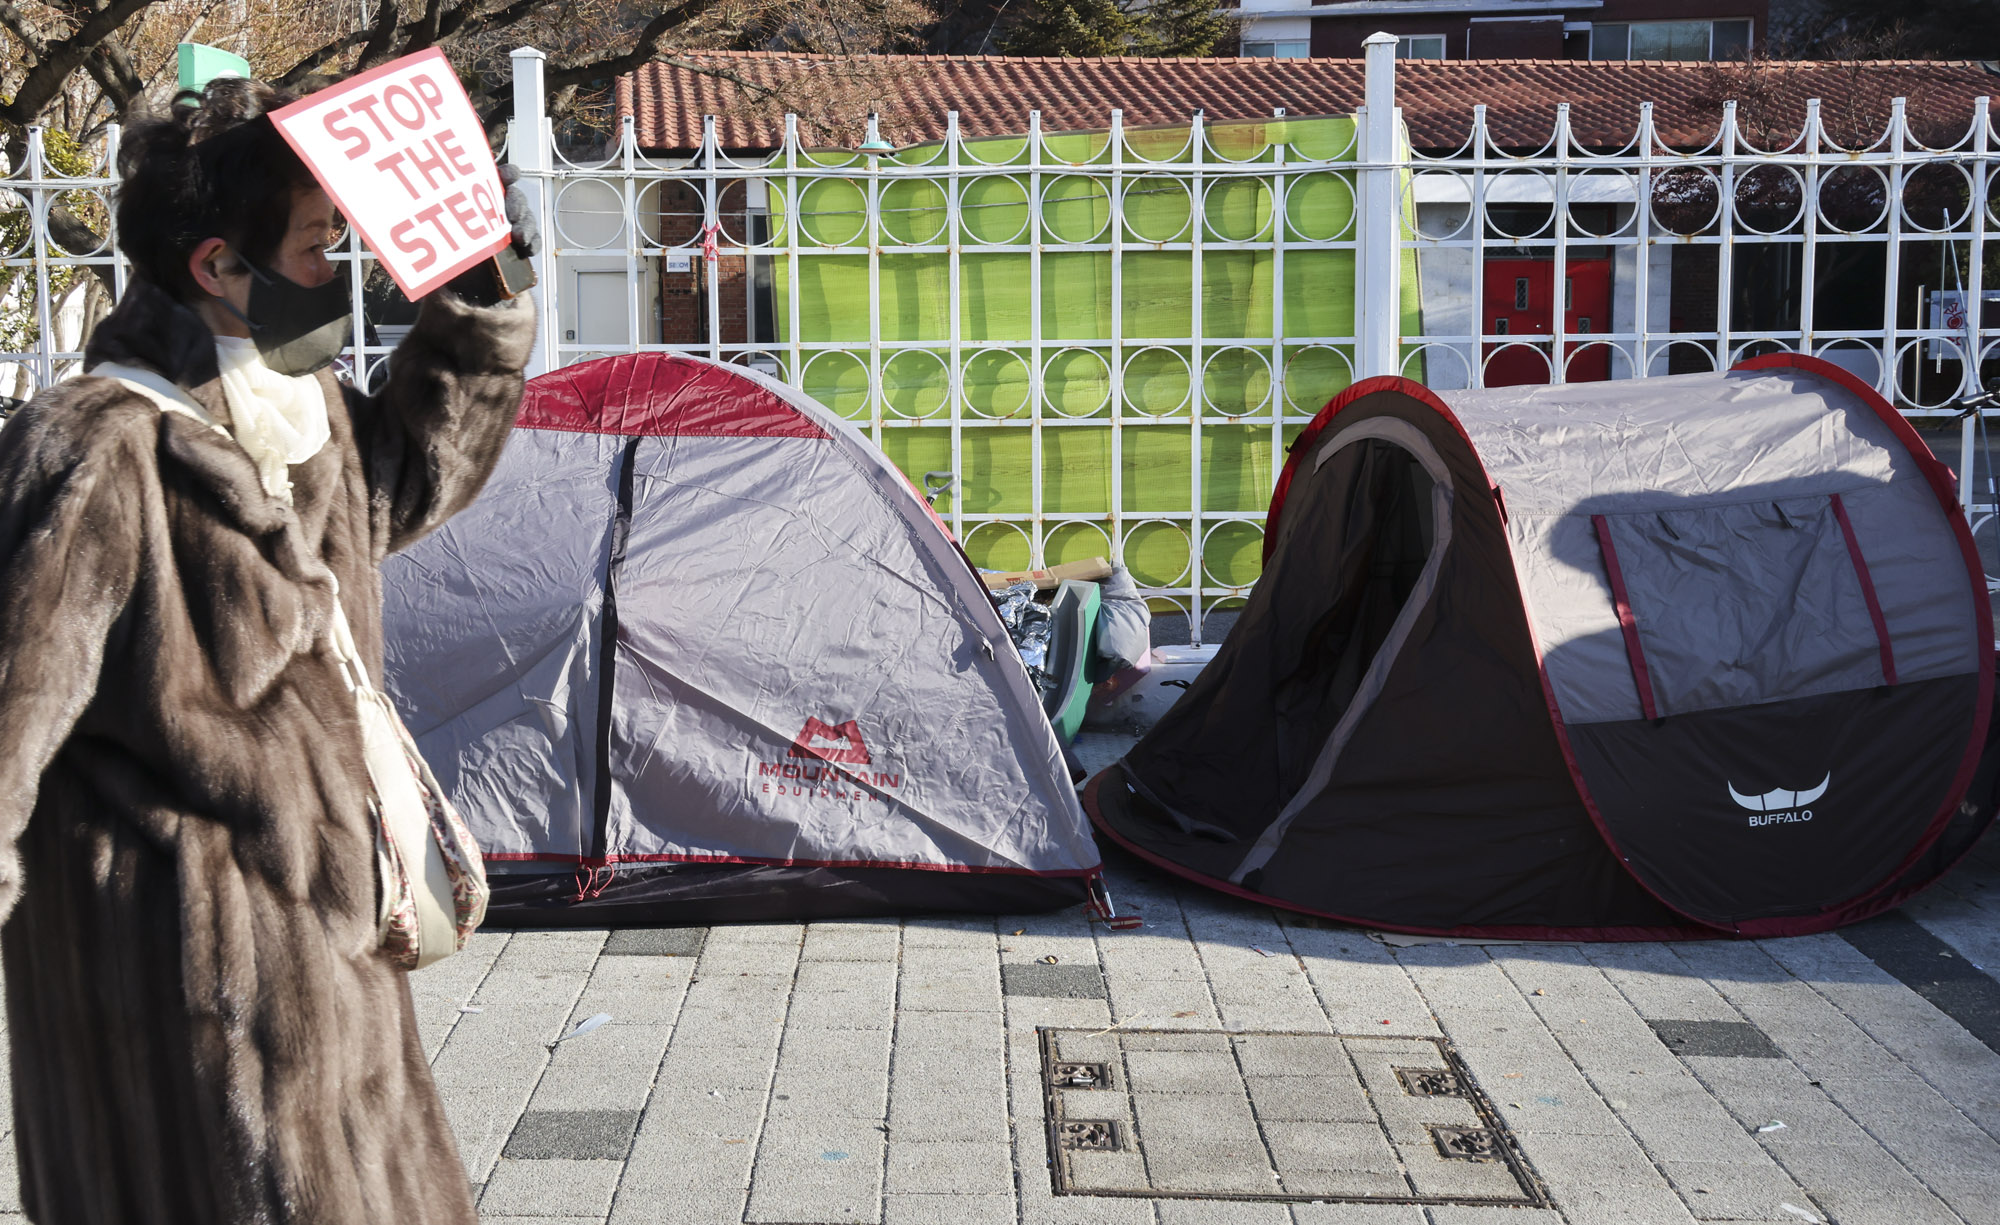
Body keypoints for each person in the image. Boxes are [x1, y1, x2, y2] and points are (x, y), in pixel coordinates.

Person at [0, 77, 534, 1223]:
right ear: (214, 266)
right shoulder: (95, 448)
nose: (338, 269)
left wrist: (473, 288)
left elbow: (414, 474)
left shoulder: (304, 412)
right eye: (313, 245)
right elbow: (14, 700)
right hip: (175, 988)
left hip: (329, 961)